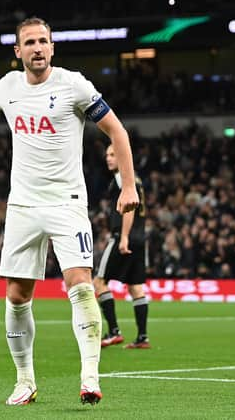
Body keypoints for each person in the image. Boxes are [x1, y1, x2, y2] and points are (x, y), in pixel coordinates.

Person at [0, 16, 139, 406]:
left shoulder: (74, 84)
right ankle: (25, 381)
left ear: (53, 47)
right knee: (17, 295)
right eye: (30, 43)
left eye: (44, 41)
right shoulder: (9, 87)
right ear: (18, 51)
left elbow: (117, 131)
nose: (38, 48)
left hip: (66, 203)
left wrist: (127, 185)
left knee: (81, 284)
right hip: (22, 205)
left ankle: (90, 376)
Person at [93, 144, 150, 349]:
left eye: (113, 155)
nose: (108, 158)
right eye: (107, 154)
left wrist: (123, 236)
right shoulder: (138, 180)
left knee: (99, 282)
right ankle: (143, 337)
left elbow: (129, 209)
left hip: (123, 236)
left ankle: (113, 331)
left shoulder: (123, 177)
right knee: (135, 287)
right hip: (140, 237)